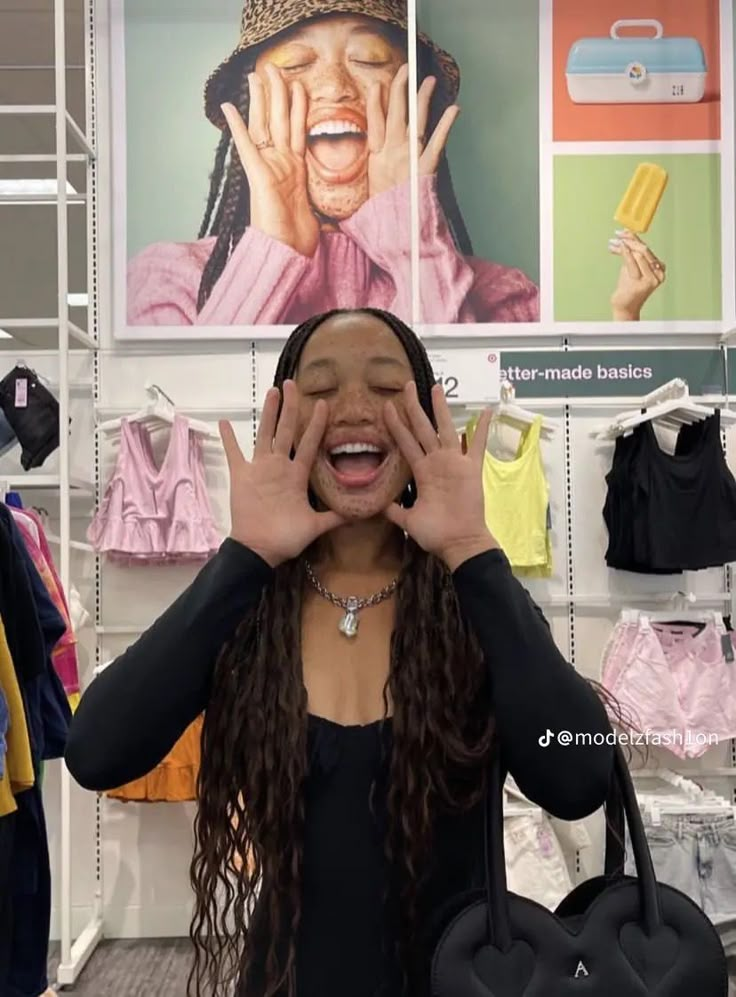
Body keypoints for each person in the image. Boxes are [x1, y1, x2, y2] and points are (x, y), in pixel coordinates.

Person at [66, 307, 615, 997]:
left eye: (387, 388)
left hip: (461, 981)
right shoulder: (250, 607)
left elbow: (579, 773)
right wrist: (245, 556)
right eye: (321, 389)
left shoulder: (471, 600)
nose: (354, 408)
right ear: (284, 419)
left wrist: (474, 552)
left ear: (424, 416)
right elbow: (95, 750)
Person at [126, 0, 664, 328]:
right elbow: (195, 431)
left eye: (369, 61)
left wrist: (413, 241)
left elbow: (456, 423)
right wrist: (273, 248)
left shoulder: (506, 299)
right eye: (296, 64)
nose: (335, 87)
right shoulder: (169, 282)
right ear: (249, 104)